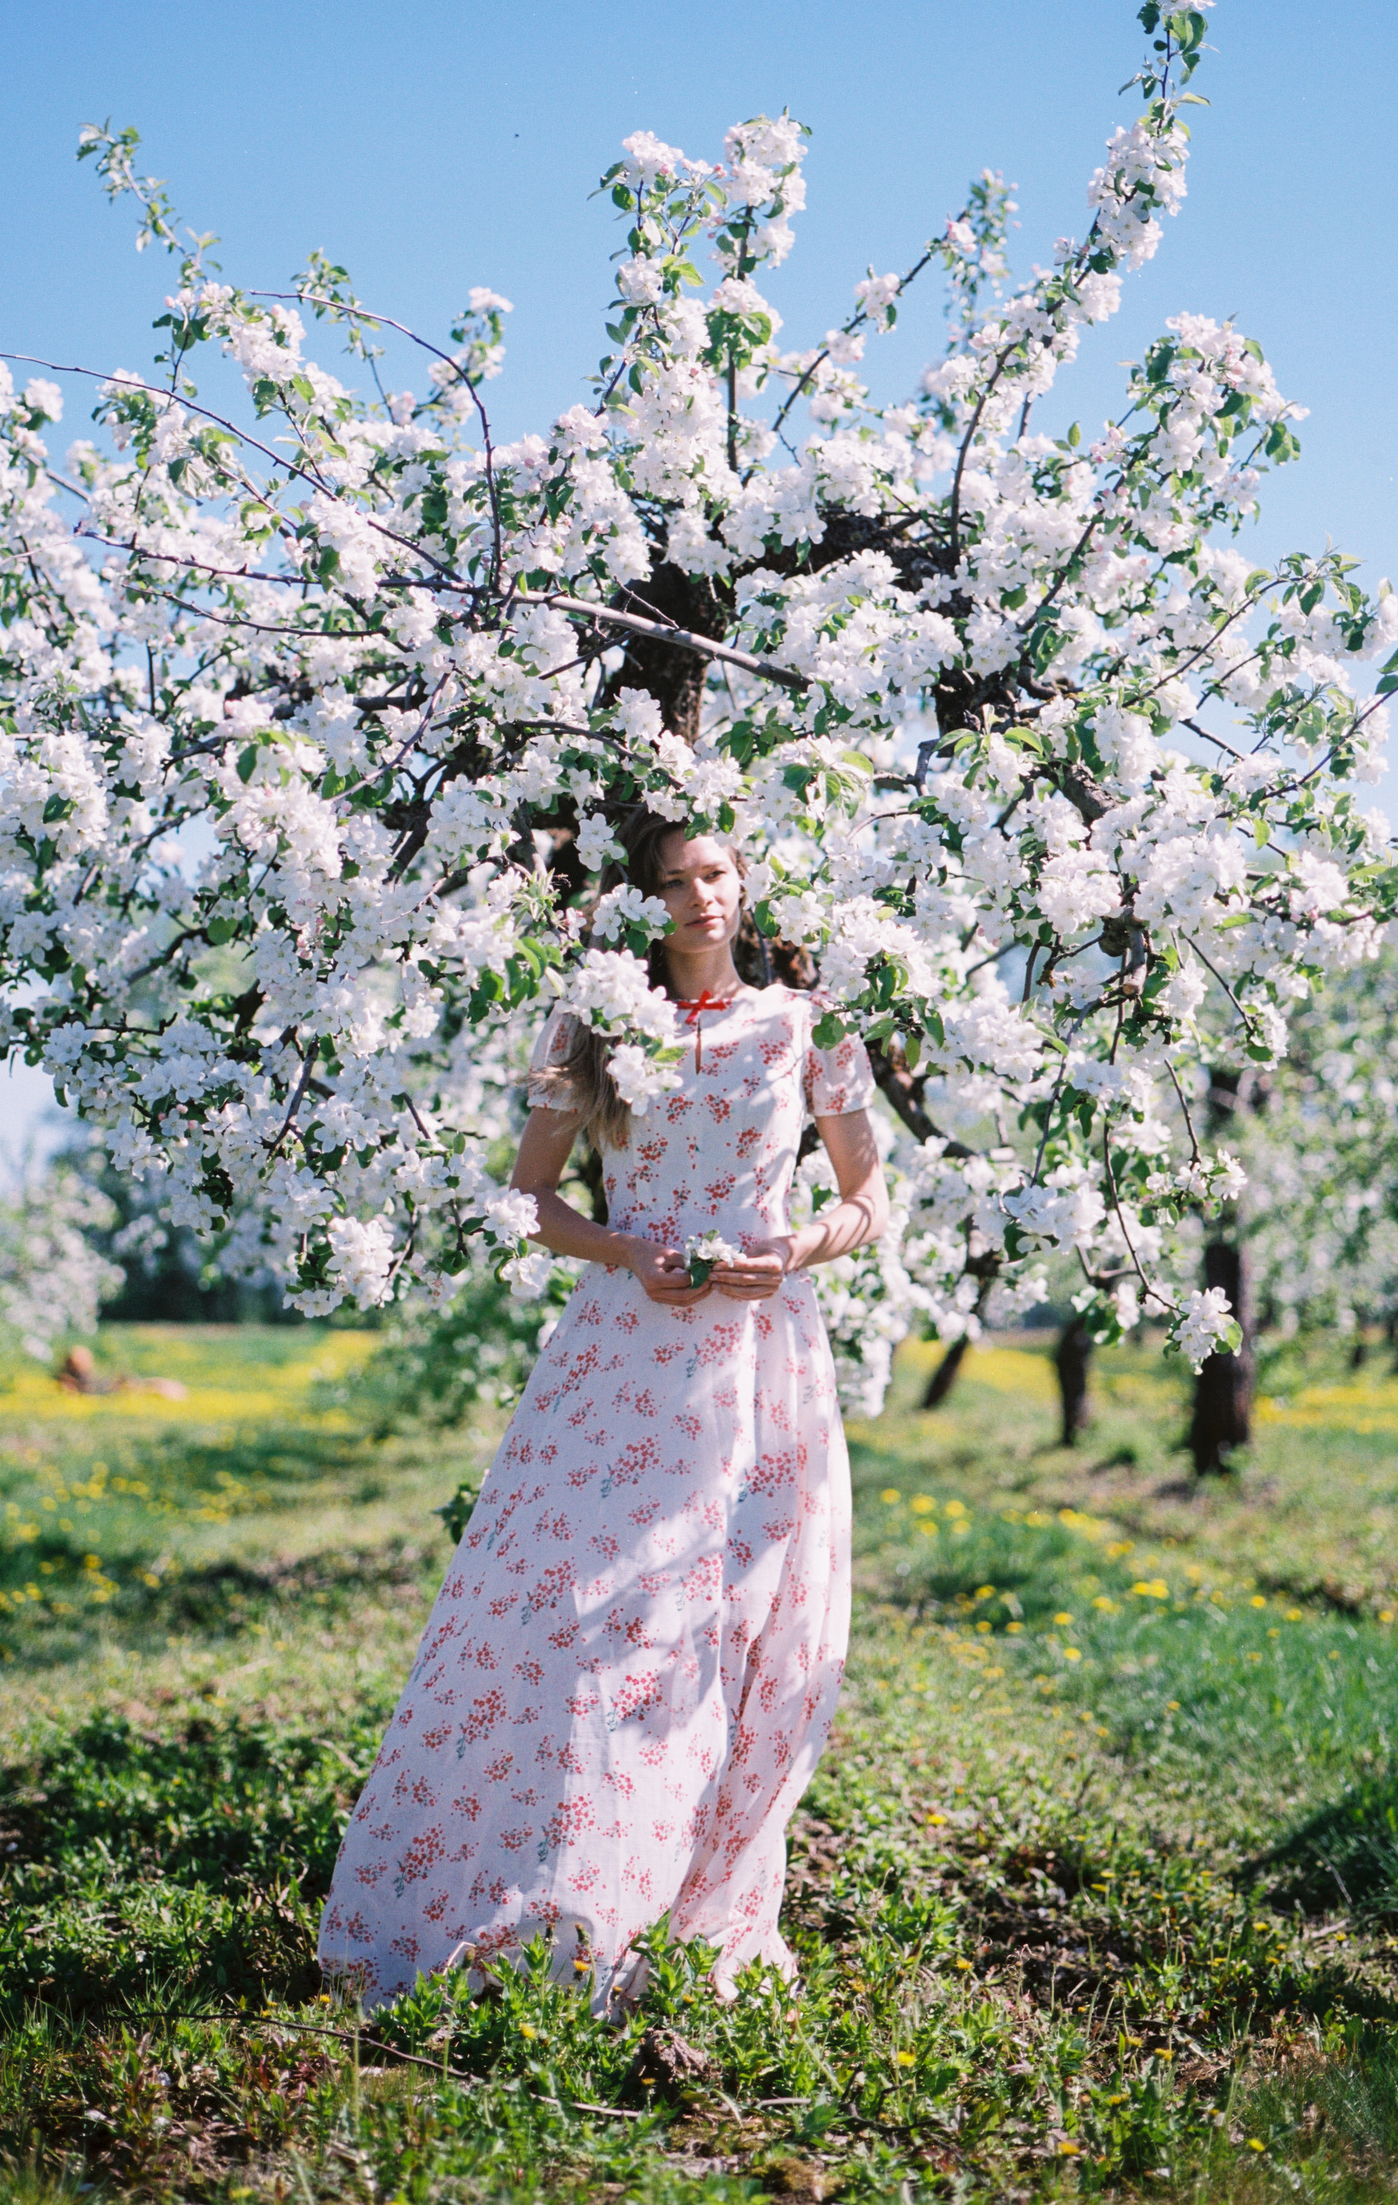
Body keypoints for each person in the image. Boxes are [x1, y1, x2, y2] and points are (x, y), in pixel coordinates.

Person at [318, 812, 888, 2013]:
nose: (701, 899)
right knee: (583, 1622)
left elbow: (867, 1196)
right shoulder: (590, 1025)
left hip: (757, 1357)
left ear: (746, 880)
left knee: (732, 1626)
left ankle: (691, 1911)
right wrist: (626, 1249)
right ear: (644, 902)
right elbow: (530, 1199)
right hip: (622, 1353)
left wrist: (788, 1250)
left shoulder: (806, 1022)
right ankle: (555, 1899)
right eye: (675, 882)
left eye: (718, 873)